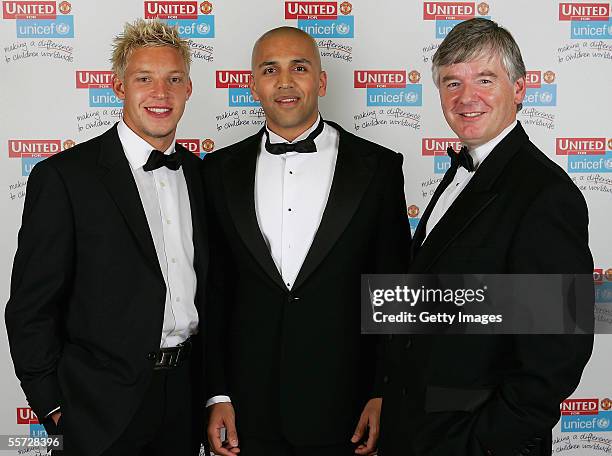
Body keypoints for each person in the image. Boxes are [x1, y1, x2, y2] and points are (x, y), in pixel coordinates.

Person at [378, 18, 594, 456]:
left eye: (484, 79)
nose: (466, 97)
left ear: (518, 89)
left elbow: (556, 354)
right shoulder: (462, 172)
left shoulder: (545, 194)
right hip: (416, 430)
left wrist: (486, 442)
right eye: (452, 82)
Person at [202, 26, 410, 456]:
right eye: (270, 70)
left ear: (321, 80)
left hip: (346, 413)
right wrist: (217, 393)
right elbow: (214, 291)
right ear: (253, 84)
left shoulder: (379, 167)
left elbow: (392, 288)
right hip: (246, 416)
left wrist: (382, 391)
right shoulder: (217, 171)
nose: (284, 82)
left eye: (299, 67)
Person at [5, 19, 207, 456]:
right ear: (119, 87)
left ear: (189, 89)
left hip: (185, 403)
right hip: (97, 409)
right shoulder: (63, 178)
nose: (161, 92)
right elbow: (30, 306)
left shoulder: (200, 175)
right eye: (144, 79)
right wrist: (53, 406)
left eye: (174, 79)